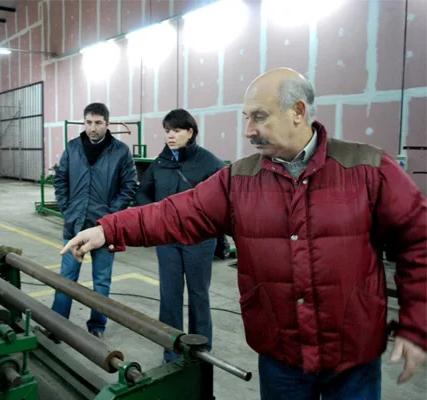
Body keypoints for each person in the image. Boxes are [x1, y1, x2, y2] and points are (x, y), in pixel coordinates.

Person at [60, 69, 427, 398]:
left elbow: (419, 242)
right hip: (281, 356)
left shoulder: (367, 169)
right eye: (246, 118)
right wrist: (108, 229)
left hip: (354, 360)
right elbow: (176, 213)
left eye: (259, 117)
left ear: (298, 112)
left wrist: (417, 325)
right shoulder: (240, 179)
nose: (248, 130)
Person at [135, 108, 224, 363]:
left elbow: (223, 199)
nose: (170, 136)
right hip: (167, 240)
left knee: (198, 293)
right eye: (167, 131)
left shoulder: (209, 162)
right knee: (170, 294)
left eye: (175, 130)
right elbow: (143, 192)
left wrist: (208, 225)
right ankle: (171, 348)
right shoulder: (160, 162)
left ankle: (201, 347)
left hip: (199, 240)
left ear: (190, 132)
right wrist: (152, 215)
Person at [51, 102, 137, 340]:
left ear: (107, 124)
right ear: (84, 122)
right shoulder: (73, 148)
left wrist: (110, 217)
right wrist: (67, 209)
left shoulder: (120, 151)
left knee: (101, 281)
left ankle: (96, 327)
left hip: (104, 229)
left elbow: (128, 186)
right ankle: (57, 325)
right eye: (88, 122)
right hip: (74, 224)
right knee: (66, 278)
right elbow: (60, 180)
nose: (93, 128)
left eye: (98, 123)